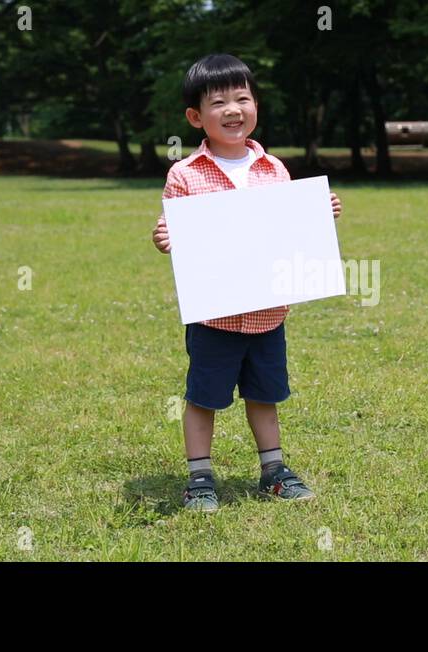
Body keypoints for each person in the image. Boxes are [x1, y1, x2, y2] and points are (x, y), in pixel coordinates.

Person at [152, 53, 343, 512]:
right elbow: (176, 231)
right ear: (196, 117)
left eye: (243, 97)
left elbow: (287, 232)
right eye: (219, 102)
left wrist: (318, 214)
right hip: (214, 314)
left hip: (267, 312)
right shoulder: (185, 174)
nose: (234, 109)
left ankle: (273, 471)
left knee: (266, 393)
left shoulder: (274, 170)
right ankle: (200, 477)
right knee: (203, 397)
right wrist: (165, 236)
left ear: (256, 105)